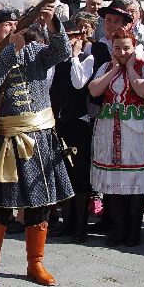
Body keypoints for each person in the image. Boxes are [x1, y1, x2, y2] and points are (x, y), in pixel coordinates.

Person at [0, 3, 73, 287]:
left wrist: (52, 23)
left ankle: (36, 263)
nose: (12, 28)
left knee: (40, 203)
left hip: (40, 135)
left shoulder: (37, 52)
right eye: (5, 25)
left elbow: (62, 52)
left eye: (15, 23)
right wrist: (10, 50)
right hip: (7, 137)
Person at [88, 30, 144, 246]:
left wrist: (131, 67)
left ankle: (134, 230)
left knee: (134, 181)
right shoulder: (106, 67)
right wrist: (115, 68)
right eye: (117, 48)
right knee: (112, 179)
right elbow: (94, 90)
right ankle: (118, 228)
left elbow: (142, 90)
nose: (122, 52)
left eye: (126, 48)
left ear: (134, 48)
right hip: (108, 128)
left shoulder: (143, 66)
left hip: (133, 129)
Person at [52, 18, 95, 241]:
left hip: (78, 122)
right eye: (66, 37)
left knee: (79, 175)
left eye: (73, 36)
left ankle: (81, 225)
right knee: (63, 173)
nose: (69, 41)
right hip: (59, 122)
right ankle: (67, 222)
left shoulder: (87, 58)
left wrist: (74, 55)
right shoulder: (56, 60)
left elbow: (79, 83)